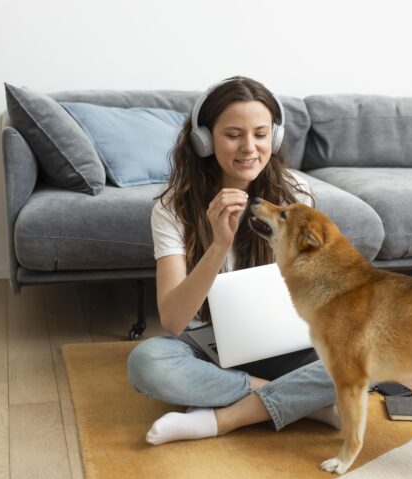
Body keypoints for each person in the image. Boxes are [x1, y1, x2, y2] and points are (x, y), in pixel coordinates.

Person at [127, 76, 339, 445]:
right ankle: (303, 401)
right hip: (204, 343)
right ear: (204, 140)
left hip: (281, 341)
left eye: (260, 134)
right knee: (147, 365)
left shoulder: (296, 194)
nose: (249, 148)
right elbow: (174, 320)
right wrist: (218, 245)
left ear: (273, 138)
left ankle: (220, 420)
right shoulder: (171, 208)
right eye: (233, 135)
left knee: (361, 351)